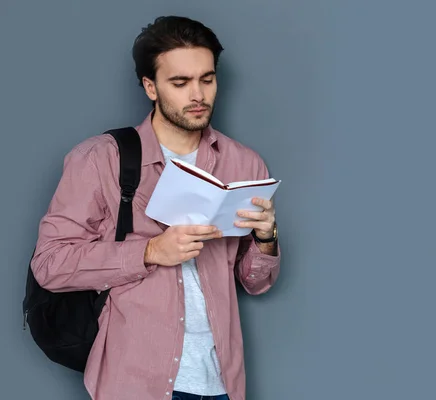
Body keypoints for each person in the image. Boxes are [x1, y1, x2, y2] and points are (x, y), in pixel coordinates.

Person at [30, 15, 281, 400]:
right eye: (180, 82)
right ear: (150, 86)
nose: (197, 94)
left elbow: (255, 282)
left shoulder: (245, 164)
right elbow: (50, 265)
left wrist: (266, 238)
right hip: (135, 382)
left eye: (207, 79)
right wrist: (149, 251)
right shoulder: (100, 160)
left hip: (222, 383)